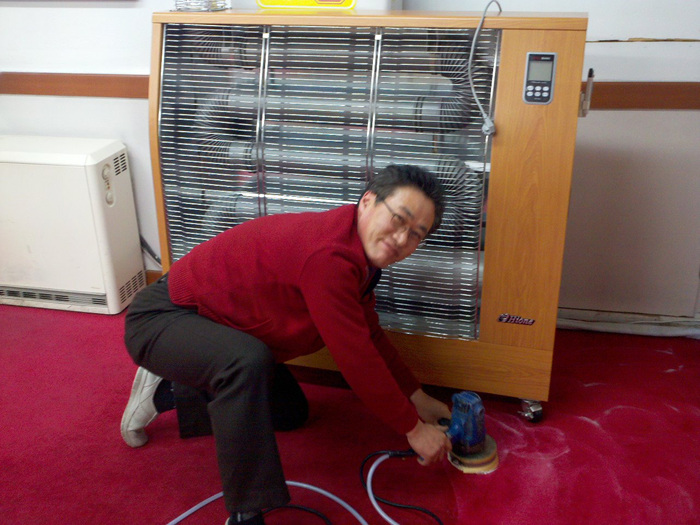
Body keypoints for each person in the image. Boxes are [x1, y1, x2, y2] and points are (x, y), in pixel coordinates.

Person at [121, 164, 453, 525]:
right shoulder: (330, 255)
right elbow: (356, 357)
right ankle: (246, 513)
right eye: (398, 219)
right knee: (246, 363)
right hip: (163, 318)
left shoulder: (359, 252)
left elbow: (368, 332)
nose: (402, 239)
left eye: (416, 234)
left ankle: (167, 392)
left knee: (289, 411)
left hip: (220, 328)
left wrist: (416, 396)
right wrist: (413, 429)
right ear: (368, 201)